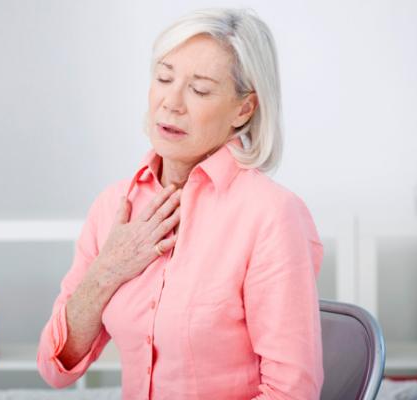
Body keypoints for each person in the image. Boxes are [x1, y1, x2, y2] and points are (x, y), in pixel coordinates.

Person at [37, 7, 324, 400]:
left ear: (244, 109)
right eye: (164, 78)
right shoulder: (113, 207)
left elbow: (291, 392)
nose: (171, 102)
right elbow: (55, 368)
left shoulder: (271, 215)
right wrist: (107, 270)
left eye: (200, 89)